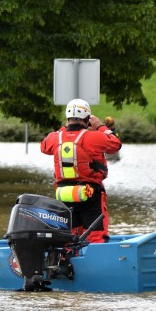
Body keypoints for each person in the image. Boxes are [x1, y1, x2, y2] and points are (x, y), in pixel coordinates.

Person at [40, 98, 122, 243]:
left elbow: (44, 147)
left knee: (71, 236)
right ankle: (95, 262)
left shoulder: (54, 138)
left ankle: (70, 262)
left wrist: (64, 129)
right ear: (87, 118)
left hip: (64, 195)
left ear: (68, 119)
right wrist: (101, 126)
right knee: (96, 235)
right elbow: (115, 144)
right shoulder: (94, 137)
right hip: (90, 194)